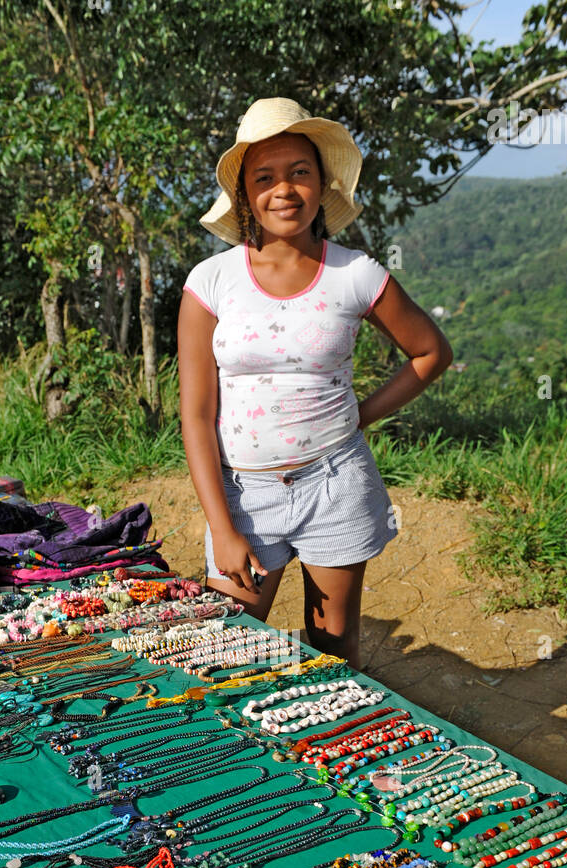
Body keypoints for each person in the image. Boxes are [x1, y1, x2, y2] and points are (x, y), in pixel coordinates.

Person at [178, 97, 453, 669]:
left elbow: (430, 352)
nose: (285, 189)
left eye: (300, 172)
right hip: (243, 496)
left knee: (330, 654)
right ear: (246, 195)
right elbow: (197, 417)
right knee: (221, 653)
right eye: (266, 177)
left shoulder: (356, 274)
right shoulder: (211, 282)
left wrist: (362, 414)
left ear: (322, 184)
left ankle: (327, 755)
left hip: (336, 486)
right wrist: (221, 528)